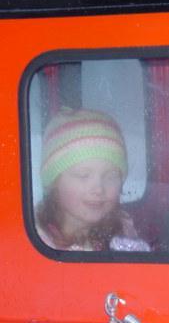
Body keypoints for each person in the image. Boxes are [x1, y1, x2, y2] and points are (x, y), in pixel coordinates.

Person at [35, 108, 150, 252]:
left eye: (110, 176)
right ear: (54, 182)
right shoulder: (36, 242)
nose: (99, 189)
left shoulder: (123, 230)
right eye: (83, 175)